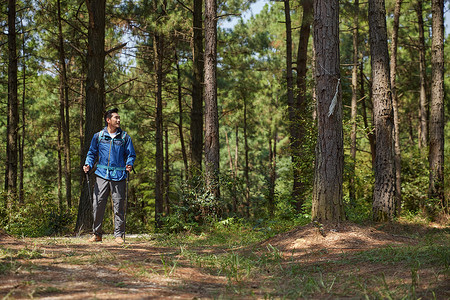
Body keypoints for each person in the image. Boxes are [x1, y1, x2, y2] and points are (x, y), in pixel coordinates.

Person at [83, 108, 136, 244]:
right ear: (108, 120)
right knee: (98, 205)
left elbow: (131, 154)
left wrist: (129, 164)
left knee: (119, 205)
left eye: (119, 118)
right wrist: (88, 164)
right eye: (115, 118)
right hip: (101, 175)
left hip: (119, 175)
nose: (118, 120)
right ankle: (97, 234)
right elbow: (91, 153)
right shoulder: (98, 136)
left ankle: (118, 235)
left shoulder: (124, 137)